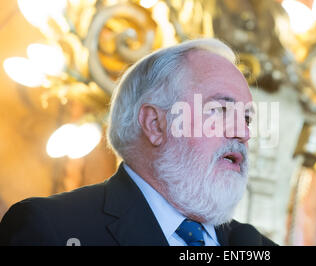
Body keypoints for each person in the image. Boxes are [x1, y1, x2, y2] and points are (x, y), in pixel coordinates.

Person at [0, 38, 277, 246]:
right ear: (155, 124)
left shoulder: (254, 244)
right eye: (221, 110)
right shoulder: (50, 228)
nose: (243, 132)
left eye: (247, 119)